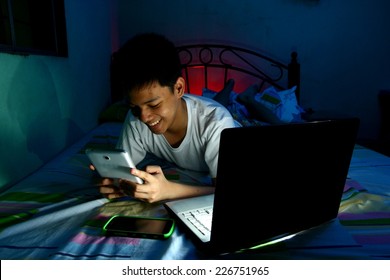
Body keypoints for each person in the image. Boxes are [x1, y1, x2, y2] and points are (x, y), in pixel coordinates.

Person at [95, 32, 238, 203]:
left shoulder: (217, 123)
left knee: (225, 107)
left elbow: (225, 192)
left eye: (154, 105)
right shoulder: (136, 119)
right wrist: (114, 182)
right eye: (134, 108)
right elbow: (123, 170)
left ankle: (233, 89)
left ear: (178, 88)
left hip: (230, 121)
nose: (144, 117)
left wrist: (168, 191)